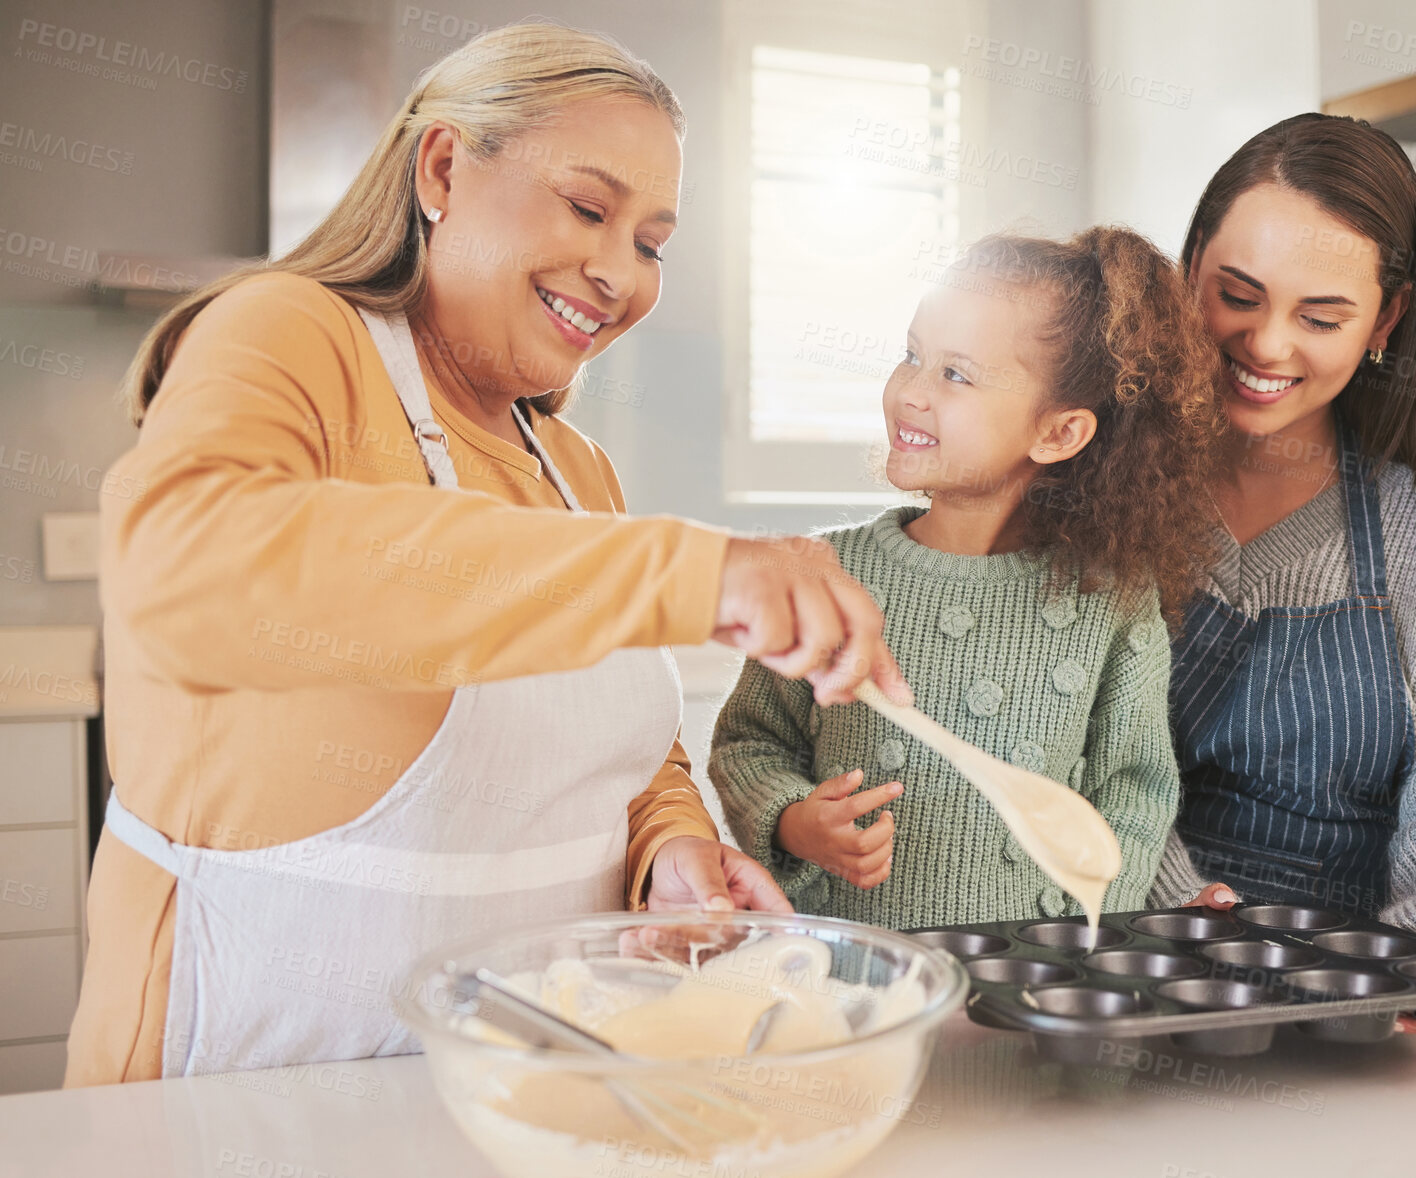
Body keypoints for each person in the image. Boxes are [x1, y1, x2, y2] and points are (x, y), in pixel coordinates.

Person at [66, 22, 908, 1085]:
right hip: (244, 1086)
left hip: (516, 1087)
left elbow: (631, 753)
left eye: (650, 243)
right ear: (444, 168)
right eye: (588, 208)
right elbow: (185, 573)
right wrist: (689, 568)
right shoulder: (285, 331)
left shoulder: (573, 466)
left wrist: (670, 851)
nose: (617, 273)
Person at [1155, 113, 1416, 1044]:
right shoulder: (1101, 492)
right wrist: (1175, 907)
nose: (1267, 346)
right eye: (1237, 296)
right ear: (1188, 271)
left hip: (1350, 1009)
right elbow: (1068, 763)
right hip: (1115, 965)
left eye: (1320, 316)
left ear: (1388, 317)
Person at [710, 227, 1227, 928]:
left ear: (1058, 434)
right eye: (912, 356)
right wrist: (795, 822)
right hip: (853, 975)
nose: (911, 393)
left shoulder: (1114, 603)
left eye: (956, 374)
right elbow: (750, 741)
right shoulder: (823, 576)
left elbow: (1133, 794)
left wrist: (1100, 935)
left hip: (1042, 984)